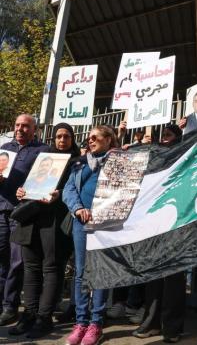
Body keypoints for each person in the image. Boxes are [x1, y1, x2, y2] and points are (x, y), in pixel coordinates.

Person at [8, 123, 80, 339]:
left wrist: (60, 195)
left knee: (51, 269)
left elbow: (75, 191)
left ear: (72, 139)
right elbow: (29, 183)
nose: (62, 140)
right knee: (31, 269)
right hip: (32, 221)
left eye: (66, 137)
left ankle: (44, 317)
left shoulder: (77, 162)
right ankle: (28, 315)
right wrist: (22, 191)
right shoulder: (44, 159)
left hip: (55, 222)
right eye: (58, 136)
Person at [63, 125, 119, 345]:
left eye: (96, 137)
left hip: (105, 224)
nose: (91, 140)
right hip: (81, 224)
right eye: (89, 138)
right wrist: (77, 208)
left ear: (108, 140)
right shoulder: (79, 163)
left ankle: (96, 323)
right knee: (81, 272)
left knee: (102, 272)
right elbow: (69, 190)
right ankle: (81, 322)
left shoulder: (118, 162)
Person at [132, 124, 185, 343]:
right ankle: (151, 322)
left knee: (173, 276)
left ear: (178, 138)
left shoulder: (183, 155)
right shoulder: (150, 156)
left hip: (176, 222)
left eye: (169, 135)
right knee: (153, 275)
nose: (164, 139)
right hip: (152, 224)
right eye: (161, 135)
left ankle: (172, 328)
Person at [0, 114, 49, 326]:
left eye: (25, 126)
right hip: (1, 209)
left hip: (22, 214)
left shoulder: (43, 151)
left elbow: (45, 180)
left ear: (34, 129)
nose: (20, 129)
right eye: (17, 125)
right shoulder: (4, 148)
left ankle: (10, 306)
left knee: (16, 261)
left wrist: (28, 190)